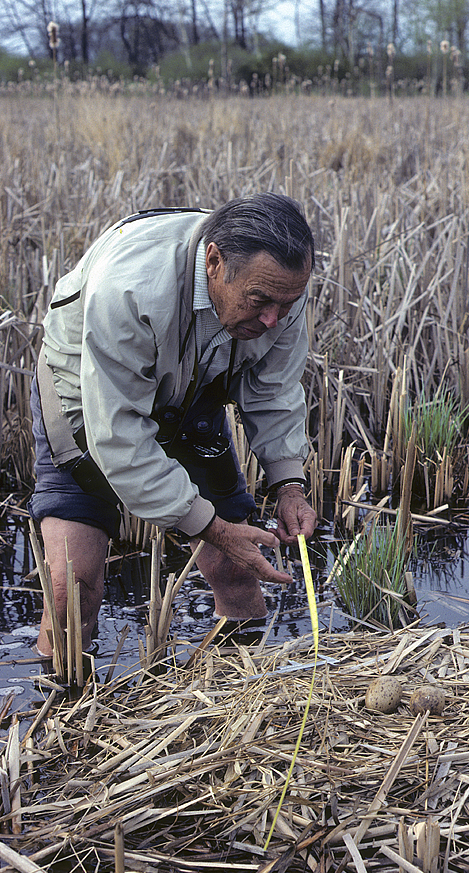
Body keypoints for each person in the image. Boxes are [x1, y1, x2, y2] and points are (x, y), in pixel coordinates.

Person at [29, 193, 318, 656]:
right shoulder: (129, 289)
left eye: (287, 305)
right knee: (71, 590)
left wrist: (289, 484)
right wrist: (211, 526)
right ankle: (63, 711)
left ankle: (245, 688)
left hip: (194, 394)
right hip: (85, 399)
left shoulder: (279, 290)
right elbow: (118, 435)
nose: (273, 319)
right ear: (214, 262)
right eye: (261, 301)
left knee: (237, 568)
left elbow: (274, 390)